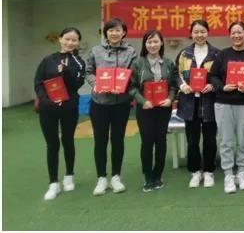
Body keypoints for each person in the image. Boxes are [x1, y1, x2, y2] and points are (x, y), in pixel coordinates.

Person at [86, 18, 137, 196]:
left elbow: (133, 72)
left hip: (120, 103)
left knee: (118, 140)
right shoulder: (96, 50)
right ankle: (101, 178)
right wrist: (95, 84)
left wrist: (124, 83)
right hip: (99, 103)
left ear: (124, 32)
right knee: (100, 141)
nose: (114, 33)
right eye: (110, 30)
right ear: (105, 33)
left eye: (118, 30)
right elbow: (88, 70)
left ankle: (116, 176)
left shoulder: (131, 51)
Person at [34, 27, 86, 200]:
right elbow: (38, 82)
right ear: (60, 39)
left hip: (69, 108)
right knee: (52, 144)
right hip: (47, 109)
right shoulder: (47, 60)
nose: (70, 43)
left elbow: (76, 84)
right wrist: (44, 100)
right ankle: (53, 183)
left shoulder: (79, 62)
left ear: (78, 42)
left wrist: (65, 71)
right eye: (67, 39)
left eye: (74, 40)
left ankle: (69, 176)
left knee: (68, 140)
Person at [209, 21, 244, 194]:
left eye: (239, 32)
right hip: (223, 104)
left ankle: (242, 172)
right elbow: (212, 76)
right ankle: (229, 174)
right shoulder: (222, 55)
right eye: (233, 33)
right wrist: (223, 87)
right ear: (230, 35)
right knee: (226, 141)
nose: (236, 36)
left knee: (243, 141)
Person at [129, 30, 178, 192]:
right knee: (147, 141)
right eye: (149, 42)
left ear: (161, 43)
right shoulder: (137, 63)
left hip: (163, 108)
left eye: (156, 42)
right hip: (145, 109)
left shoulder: (169, 63)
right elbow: (132, 86)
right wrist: (143, 101)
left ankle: (158, 174)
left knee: (161, 141)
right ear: (145, 44)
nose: (152, 45)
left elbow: (173, 85)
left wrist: (170, 99)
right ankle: (148, 176)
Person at [175, 20, 220, 189]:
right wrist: (182, 85)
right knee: (192, 140)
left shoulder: (216, 54)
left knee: (210, 140)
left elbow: (222, 76)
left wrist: (213, 85)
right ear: (191, 33)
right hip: (189, 103)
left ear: (207, 33)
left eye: (202, 31)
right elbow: (176, 73)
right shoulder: (184, 54)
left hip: (209, 103)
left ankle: (209, 171)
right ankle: (195, 172)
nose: (199, 35)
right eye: (196, 32)